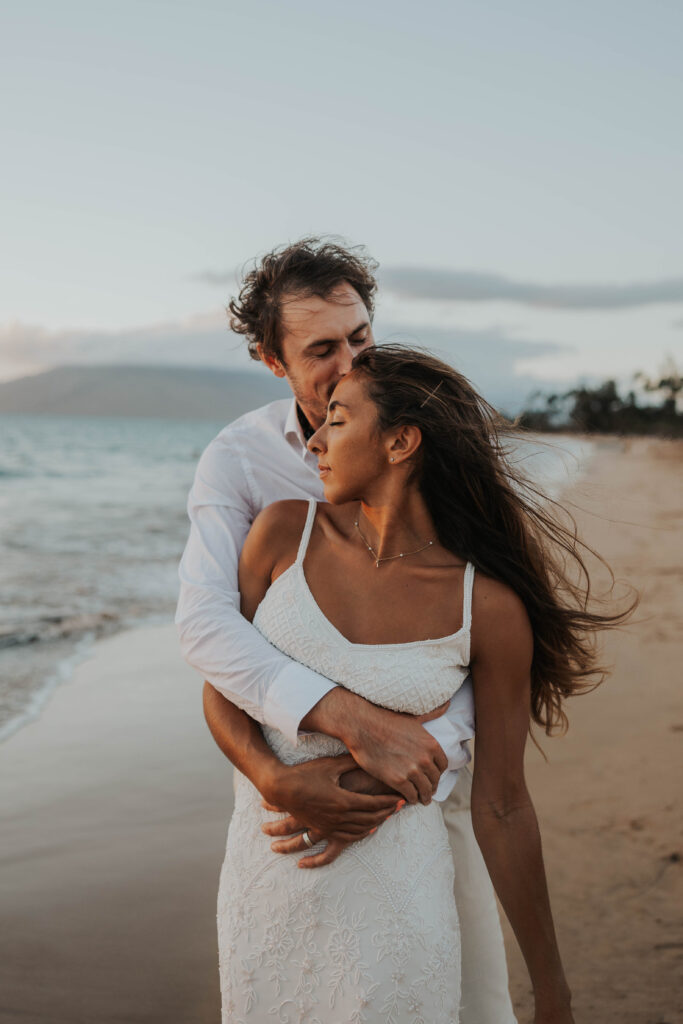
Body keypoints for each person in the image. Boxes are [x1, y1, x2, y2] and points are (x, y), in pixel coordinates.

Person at [211, 344, 627, 1022]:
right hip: (265, 887)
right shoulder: (282, 533)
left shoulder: (485, 608)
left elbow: (502, 805)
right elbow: (224, 684)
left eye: (337, 420)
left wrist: (550, 986)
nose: (313, 438)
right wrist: (269, 775)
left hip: (397, 909)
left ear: (400, 441)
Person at [177, 238, 515, 1022]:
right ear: (271, 359)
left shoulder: (426, 435)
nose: (350, 359)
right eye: (322, 349)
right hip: (282, 809)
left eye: (360, 336)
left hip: (425, 801)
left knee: (465, 996)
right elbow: (204, 627)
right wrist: (315, 743)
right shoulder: (241, 464)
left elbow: (479, 630)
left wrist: (404, 765)